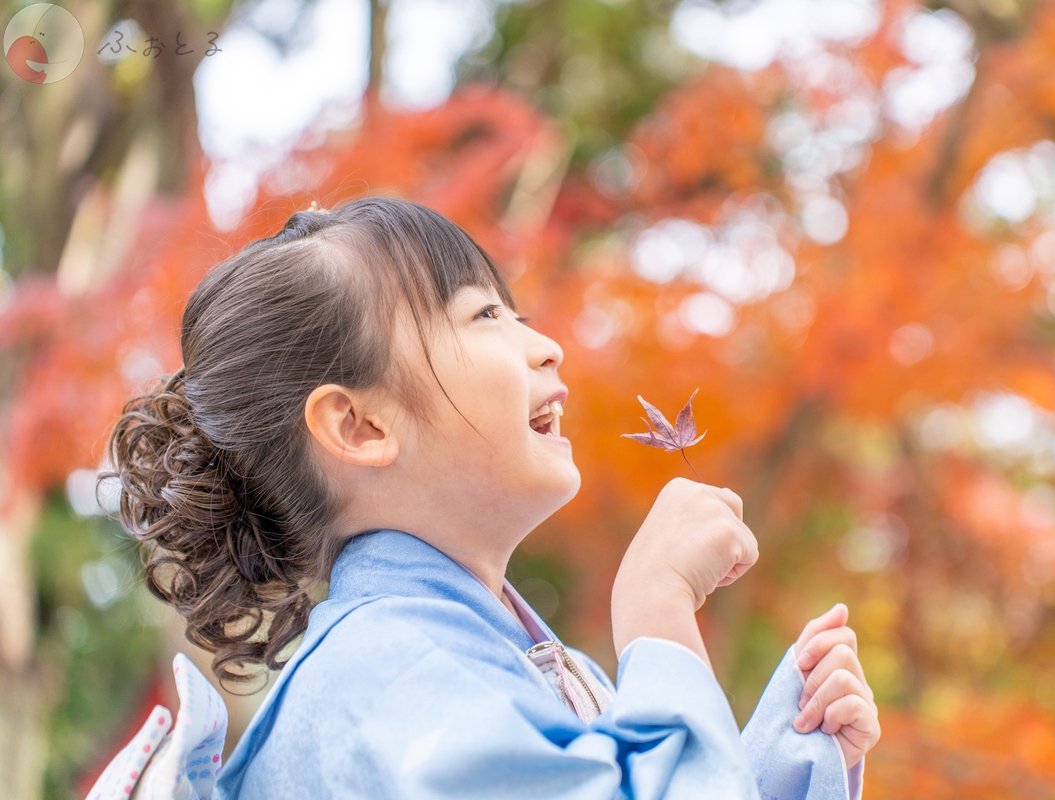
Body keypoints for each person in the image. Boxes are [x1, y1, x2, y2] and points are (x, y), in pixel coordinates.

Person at [99, 196, 880, 799]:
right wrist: (658, 611)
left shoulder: (475, 661)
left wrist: (787, 761)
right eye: (484, 315)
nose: (546, 345)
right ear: (361, 424)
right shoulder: (383, 675)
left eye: (518, 314)